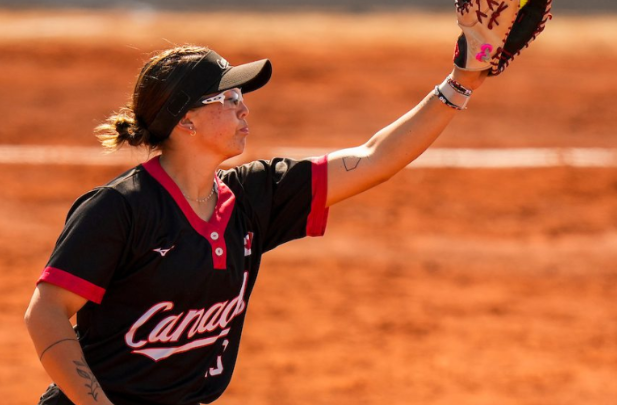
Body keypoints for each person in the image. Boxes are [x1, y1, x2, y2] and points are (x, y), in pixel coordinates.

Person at [24, 44, 486, 405]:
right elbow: (46, 312)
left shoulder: (253, 197)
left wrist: (460, 82)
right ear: (186, 120)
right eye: (227, 99)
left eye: (240, 97)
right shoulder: (120, 209)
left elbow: (374, 159)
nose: (243, 108)